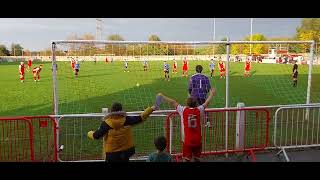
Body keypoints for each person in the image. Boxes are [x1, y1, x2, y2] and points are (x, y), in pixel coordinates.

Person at [157, 88, 216, 162]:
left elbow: (173, 102)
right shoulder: (199, 110)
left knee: (186, 159)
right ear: (196, 104)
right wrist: (211, 94)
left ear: (187, 104)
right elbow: (206, 102)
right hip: (198, 140)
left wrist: (162, 96)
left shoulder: (183, 110)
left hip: (187, 140)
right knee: (197, 159)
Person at [87, 102, 157, 162]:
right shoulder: (127, 120)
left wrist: (89, 133)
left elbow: (96, 136)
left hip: (112, 155)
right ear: (121, 110)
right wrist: (151, 109)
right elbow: (141, 117)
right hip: (126, 153)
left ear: (111, 111)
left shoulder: (106, 123)